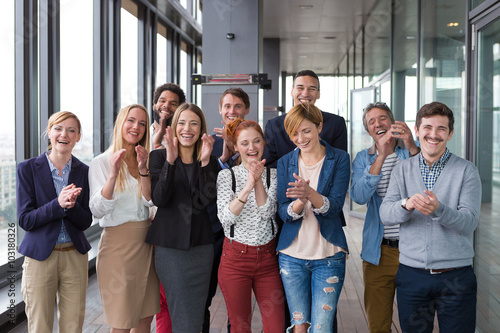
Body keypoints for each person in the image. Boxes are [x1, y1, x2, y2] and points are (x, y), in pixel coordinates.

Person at [380, 102, 481, 332]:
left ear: (450, 133)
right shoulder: (402, 169)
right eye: (427, 127)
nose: (433, 135)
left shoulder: (467, 171)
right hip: (411, 276)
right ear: (416, 130)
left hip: (456, 278)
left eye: (441, 129)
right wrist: (406, 205)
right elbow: (385, 214)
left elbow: (469, 222)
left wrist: (439, 210)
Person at [277, 103, 350, 332]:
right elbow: (283, 211)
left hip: (328, 255)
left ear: (319, 127)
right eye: (294, 133)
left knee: (322, 328)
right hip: (291, 256)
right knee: (300, 326)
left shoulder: (339, 159)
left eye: (306, 130)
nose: (300, 138)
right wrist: (300, 201)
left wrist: (310, 194)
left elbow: (335, 207)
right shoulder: (285, 162)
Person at [146, 103, 218, 333]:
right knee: (179, 310)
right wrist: (170, 160)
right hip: (170, 249)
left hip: (202, 247)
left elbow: (207, 200)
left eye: (194, 123)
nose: (187, 128)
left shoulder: (209, 160)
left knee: (196, 311)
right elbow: (159, 199)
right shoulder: (158, 157)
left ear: (201, 129)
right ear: (174, 127)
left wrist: (205, 162)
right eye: (182, 122)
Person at [17, 111, 92, 333]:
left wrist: (72, 206)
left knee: (73, 326)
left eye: (71, 130)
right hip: (40, 258)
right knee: (40, 325)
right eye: (58, 128)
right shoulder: (27, 168)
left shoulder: (84, 171)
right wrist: (58, 204)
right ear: (49, 132)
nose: (64, 134)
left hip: (74, 257)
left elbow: (86, 220)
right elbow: (25, 219)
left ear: (78, 136)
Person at [89, 104, 159, 333]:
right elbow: (97, 210)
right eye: (131, 120)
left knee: (144, 318)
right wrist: (112, 176)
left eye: (142, 123)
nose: (136, 127)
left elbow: (150, 201)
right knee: (121, 320)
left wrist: (142, 169)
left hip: (146, 243)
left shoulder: (146, 160)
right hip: (117, 247)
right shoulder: (101, 161)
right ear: (121, 122)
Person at [350, 102, 420, 333]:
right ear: (368, 129)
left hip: (414, 251)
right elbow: (359, 196)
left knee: (416, 322)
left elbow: (429, 178)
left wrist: (410, 144)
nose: (378, 124)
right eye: (371, 121)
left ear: (392, 122)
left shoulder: (412, 151)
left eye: (382, 118)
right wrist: (380, 156)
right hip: (378, 252)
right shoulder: (363, 158)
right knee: (378, 324)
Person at [216, 118, 285, 332]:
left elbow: (267, 212)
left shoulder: (274, 175)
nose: (252, 147)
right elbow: (226, 218)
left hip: (268, 259)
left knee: (276, 326)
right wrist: (248, 185)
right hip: (235, 260)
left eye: (256, 141)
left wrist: (258, 182)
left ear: (264, 143)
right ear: (235, 147)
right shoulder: (226, 176)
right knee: (240, 326)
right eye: (244, 143)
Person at [204, 87, 251, 333]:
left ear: (247, 110)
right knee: (206, 295)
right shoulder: (209, 144)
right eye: (227, 107)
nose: (232, 111)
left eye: (238, 107)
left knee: (240, 302)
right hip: (214, 233)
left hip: (247, 236)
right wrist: (223, 159)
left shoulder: (258, 142)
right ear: (221, 111)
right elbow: (204, 189)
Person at [150, 83, 185, 333]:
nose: (167, 106)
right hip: (144, 226)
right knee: (155, 297)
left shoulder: (185, 137)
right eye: (163, 101)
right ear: (155, 105)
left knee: (169, 293)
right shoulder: (139, 133)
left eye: (173, 103)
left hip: (173, 225)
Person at [265, 69, 347, 168]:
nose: (305, 93)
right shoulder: (274, 125)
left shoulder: (336, 123)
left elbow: (340, 163)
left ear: (318, 94)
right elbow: (268, 165)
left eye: (312, 89)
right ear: (292, 91)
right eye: (300, 88)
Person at [150, 83, 186, 150]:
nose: (166, 105)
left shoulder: (183, 139)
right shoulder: (141, 135)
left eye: (173, 104)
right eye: (162, 101)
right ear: (154, 106)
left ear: (179, 111)